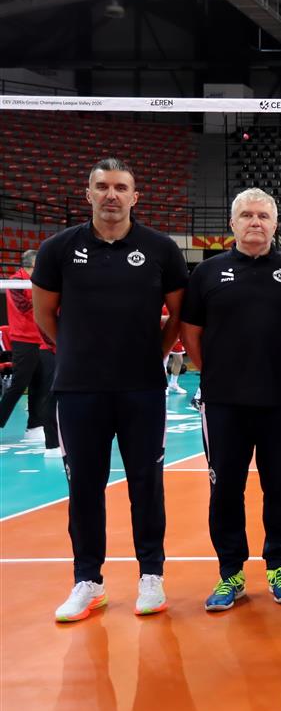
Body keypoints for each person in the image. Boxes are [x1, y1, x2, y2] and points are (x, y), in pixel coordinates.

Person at [31, 158, 188, 621]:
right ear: (89, 194)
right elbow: (44, 315)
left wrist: (155, 353)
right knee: (84, 486)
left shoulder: (161, 249)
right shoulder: (58, 249)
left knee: (146, 484)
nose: (111, 195)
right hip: (79, 389)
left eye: (120, 187)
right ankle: (88, 581)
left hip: (142, 388)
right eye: (102, 187)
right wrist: (76, 353)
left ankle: (151, 575)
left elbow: (178, 315)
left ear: (135, 197)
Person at [180, 189, 281, 611]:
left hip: (280, 398)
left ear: (275, 225)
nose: (255, 222)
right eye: (246, 215)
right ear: (232, 223)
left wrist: (279, 365)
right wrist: (217, 374)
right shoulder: (207, 272)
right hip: (224, 401)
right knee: (225, 489)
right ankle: (231, 573)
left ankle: (278, 566)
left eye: (262, 216)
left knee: (280, 487)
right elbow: (190, 333)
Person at [0, 250, 57, 454]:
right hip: (23, 340)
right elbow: (24, 306)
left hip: (42, 340)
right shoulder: (16, 282)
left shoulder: (36, 283)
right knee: (18, 385)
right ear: (31, 265)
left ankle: (34, 426)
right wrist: (44, 295)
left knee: (42, 386)